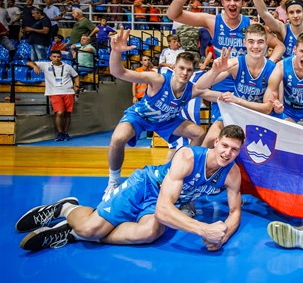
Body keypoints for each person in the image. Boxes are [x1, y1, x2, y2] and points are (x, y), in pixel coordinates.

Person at [15, 126, 245, 252]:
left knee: (150, 233)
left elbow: (235, 212)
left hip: (161, 201)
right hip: (145, 185)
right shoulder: (188, 157)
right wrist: (204, 230)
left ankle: (73, 233)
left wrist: (223, 236)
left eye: (234, 150)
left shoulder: (232, 173)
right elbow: (164, 211)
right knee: (90, 229)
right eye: (225, 146)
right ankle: (66, 209)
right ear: (216, 143)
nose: (227, 153)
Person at [166, 0, 285, 146]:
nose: (232, 3)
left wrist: (265, 67)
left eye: (236, 0)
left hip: (249, 84)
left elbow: (279, 46)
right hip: (222, 84)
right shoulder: (212, 21)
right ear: (222, 2)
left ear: (242, 3)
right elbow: (173, 14)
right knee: (218, 136)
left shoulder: (251, 25)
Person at [103, 28, 219, 200]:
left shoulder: (191, 89)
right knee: (118, 139)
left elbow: (214, 96)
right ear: (174, 67)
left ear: (193, 72)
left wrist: (233, 99)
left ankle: (181, 172)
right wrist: (116, 52)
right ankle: (113, 181)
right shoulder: (157, 80)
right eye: (181, 68)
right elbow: (119, 72)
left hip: (166, 120)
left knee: (198, 133)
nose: (184, 73)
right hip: (141, 117)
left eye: (189, 70)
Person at [194, 23, 280, 148]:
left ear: (266, 43)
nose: (255, 46)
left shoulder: (273, 70)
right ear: (244, 43)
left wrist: (238, 100)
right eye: (251, 42)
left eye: (260, 42)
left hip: (259, 116)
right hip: (237, 112)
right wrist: (214, 71)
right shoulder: (236, 64)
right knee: (210, 139)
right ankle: (200, 166)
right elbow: (199, 86)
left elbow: (266, 108)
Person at [26, 51, 80, 141]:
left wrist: (77, 86)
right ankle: (60, 133)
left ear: (61, 57)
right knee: (59, 112)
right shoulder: (45, 65)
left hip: (68, 92)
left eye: (58, 57)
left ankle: (66, 133)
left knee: (67, 113)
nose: (56, 58)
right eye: (54, 56)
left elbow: (76, 76)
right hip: (54, 92)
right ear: (50, 57)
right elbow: (28, 62)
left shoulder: (67, 66)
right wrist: (35, 66)